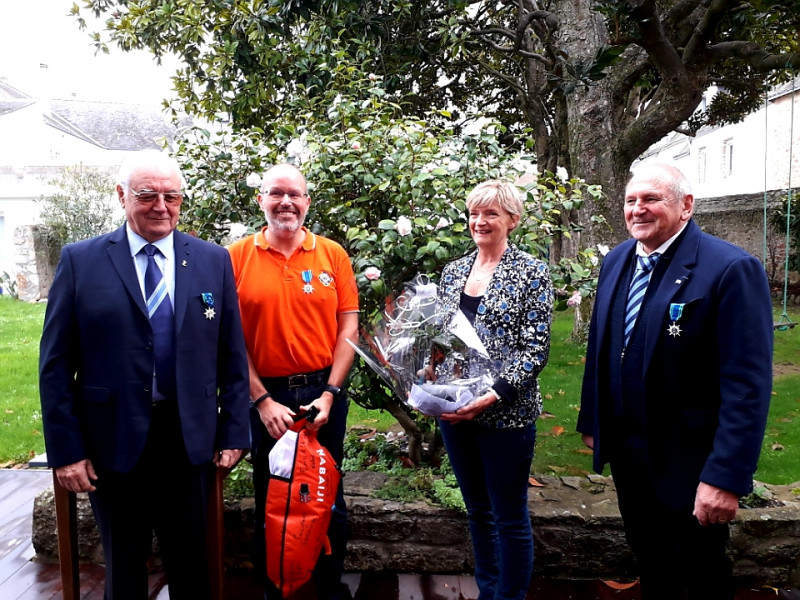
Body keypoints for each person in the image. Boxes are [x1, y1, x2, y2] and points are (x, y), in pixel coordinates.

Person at [39, 149, 251, 600]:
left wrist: (234, 430)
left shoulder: (213, 260)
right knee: (123, 567)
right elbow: (55, 366)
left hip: (189, 437)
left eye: (171, 196)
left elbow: (232, 355)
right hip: (112, 440)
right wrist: (66, 452)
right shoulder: (81, 261)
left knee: (193, 564)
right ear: (121, 195)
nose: (161, 206)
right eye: (147, 194)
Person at [577, 163, 773, 600]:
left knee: (702, 575)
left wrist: (724, 476)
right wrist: (594, 420)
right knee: (653, 565)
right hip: (629, 454)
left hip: (691, 460)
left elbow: (747, 385)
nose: (638, 210)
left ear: (686, 206)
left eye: (651, 199)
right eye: (631, 201)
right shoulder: (616, 261)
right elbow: (602, 347)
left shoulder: (730, 269)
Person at [227, 163, 359, 600]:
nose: (286, 202)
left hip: (324, 394)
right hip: (268, 397)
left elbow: (348, 331)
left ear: (307, 201)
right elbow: (230, 340)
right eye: (276, 193)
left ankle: (328, 587)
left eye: (295, 194)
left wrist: (330, 394)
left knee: (328, 496)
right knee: (273, 497)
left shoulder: (332, 255)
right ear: (260, 199)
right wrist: (262, 400)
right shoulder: (235, 257)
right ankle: (275, 589)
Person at [435, 179, 553, 600]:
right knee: (478, 511)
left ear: (512, 221)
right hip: (456, 414)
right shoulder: (453, 272)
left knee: (508, 516)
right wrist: (426, 379)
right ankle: (488, 591)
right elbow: (444, 340)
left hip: (506, 414)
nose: (479, 221)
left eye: (491, 214)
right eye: (474, 213)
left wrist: (495, 393)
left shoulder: (532, 273)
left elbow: (535, 348)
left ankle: (509, 597)